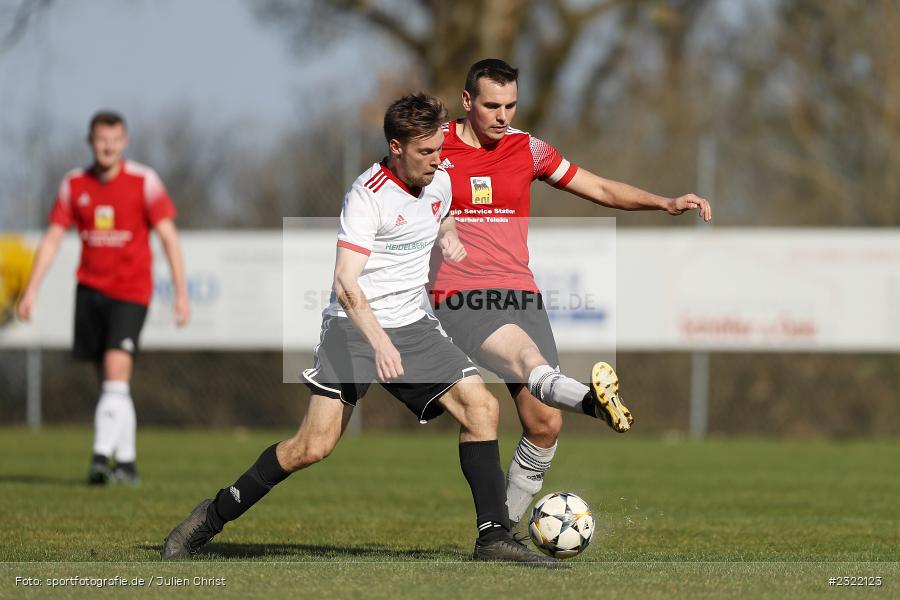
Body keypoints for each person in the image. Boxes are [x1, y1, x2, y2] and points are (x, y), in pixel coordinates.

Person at [161, 93, 558, 566]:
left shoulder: (440, 179)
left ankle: (493, 538)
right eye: (426, 152)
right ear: (396, 146)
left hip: (413, 327)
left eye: (438, 149)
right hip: (353, 329)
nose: (438, 160)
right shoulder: (368, 195)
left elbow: (442, 208)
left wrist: (448, 233)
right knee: (313, 446)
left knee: (481, 407)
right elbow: (345, 283)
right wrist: (378, 341)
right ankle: (212, 516)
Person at [429, 59, 713, 528]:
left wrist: (663, 202)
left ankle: (502, 535)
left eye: (511, 105)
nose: (503, 115)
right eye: (492, 105)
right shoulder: (436, 145)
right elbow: (395, 194)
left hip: (521, 291)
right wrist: (440, 223)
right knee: (527, 361)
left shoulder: (528, 149)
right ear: (467, 102)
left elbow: (598, 186)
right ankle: (590, 401)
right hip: (461, 294)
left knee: (544, 426)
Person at [16, 110, 190, 485]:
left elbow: (169, 238)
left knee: (114, 373)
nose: (108, 146)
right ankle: (126, 465)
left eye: (115, 139)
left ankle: (99, 459)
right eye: (101, 139)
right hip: (90, 292)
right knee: (111, 384)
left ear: (124, 141)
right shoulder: (74, 183)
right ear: (90, 141)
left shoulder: (145, 181)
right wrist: (31, 289)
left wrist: (180, 293)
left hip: (130, 292)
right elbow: (52, 239)